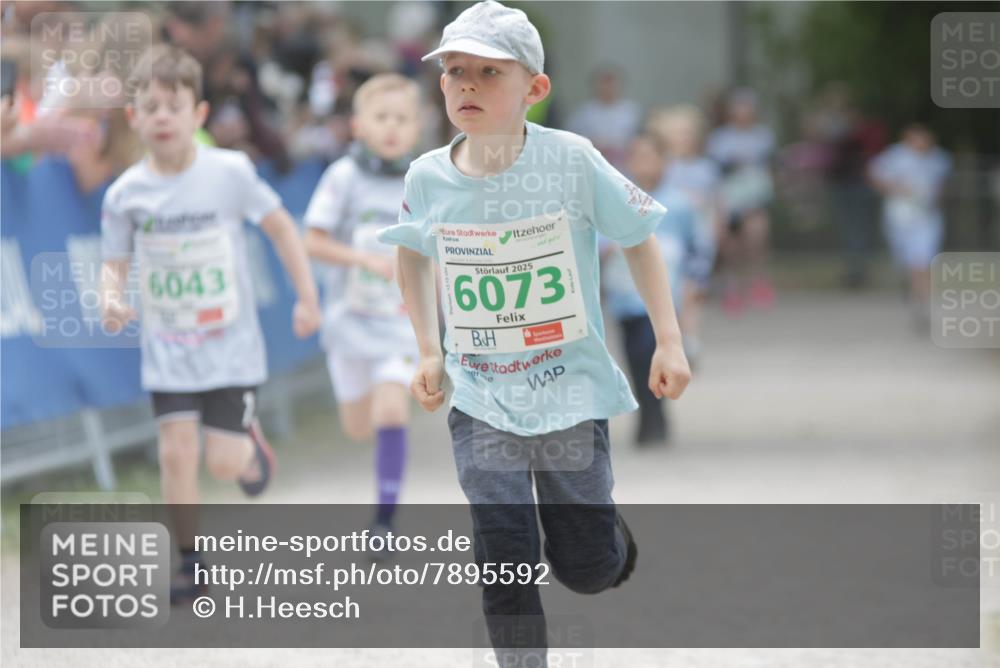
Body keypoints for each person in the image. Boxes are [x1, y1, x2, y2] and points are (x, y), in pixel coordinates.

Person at [376, 2, 691, 666]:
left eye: (488, 73)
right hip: (481, 394)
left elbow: (637, 237)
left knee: (586, 568)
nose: (466, 86)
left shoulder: (571, 160)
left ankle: (603, 537)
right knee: (505, 548)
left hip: (568, 390)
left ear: (534, 89)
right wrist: (430, 350)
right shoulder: (427, 176)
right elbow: (410, 253)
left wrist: (668, 339)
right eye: (454, 71)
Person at [99, 45, 321, 603]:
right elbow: (114, 262)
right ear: (135, 119)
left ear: (198, 115)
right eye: (150, 107)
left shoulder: (230, 172)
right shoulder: (126, 193)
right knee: (176, 450)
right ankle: (189, 560)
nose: (162, 117)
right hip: (168, 348)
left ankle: (250, 443)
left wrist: (306, 297)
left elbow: (281, 229)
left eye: (174, 106)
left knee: (223, 463)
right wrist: (111, 299)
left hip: (230, 348)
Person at [303, 73, 422, 555]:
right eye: (381, 117)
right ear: (358, 125)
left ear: (417, 128)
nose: (392, 128)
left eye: (402, 119)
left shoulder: (425, 179)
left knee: (391, 408)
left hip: (401, 323)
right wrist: (364, 260)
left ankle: (383, 522)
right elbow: (314, 241)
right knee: (358, 426)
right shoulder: (342, 178)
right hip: (349, 322)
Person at [601, 132, 697, 445]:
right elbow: (600, 239)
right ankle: (647, 414)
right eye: (636, 156)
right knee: (634, 357)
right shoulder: (618, 197)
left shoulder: (680, 203)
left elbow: (696, 247)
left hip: (662, 296)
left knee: (651, 349)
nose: (643, 163)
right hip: (625, 296)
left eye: (649, 156)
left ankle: (657, 416)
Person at [650, 105, 723, 367]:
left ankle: (689, 336)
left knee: (693, 289)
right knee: (670, 289)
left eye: (686, 133)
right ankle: (671, 338)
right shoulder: (660, 166)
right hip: (668, 238)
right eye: (675, 134)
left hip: (698, 238)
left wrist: (717, 232)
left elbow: (715, 204)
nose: (681, 139)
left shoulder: (706, 168)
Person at [868, 123, 952, 328]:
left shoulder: (939, 159)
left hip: (926, 217)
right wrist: (895, 188)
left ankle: (923, 303)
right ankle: (914, 289)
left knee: (922, 261)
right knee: (907, 261)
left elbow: (941, 184)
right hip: (900, 217)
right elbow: (875, 175)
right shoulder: (895, 156)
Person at [707, 88, 776, 315]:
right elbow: (716, 171)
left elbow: (769, 166)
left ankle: (757, 282)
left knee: (756, 238)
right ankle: (732, 286)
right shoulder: (720, 139)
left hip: (755, 197)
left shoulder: (763, 136)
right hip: (730, 198)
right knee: (731, 246)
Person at [566, 64, 641, 169]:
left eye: (612, 83)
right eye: (604, 83)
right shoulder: (583, 112)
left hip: (624, 166)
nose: (608, 88)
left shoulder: (631, 111)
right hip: (592, 164)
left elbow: (638, 140)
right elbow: (572, 138)